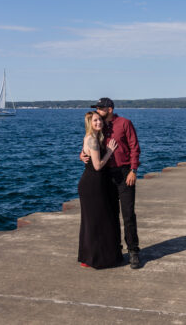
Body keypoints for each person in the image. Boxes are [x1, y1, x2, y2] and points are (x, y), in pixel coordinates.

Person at [81, 97, 142, 269]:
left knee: (128, 214)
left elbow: (135, 148)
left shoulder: (124, 123)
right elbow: (89, 143)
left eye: (100, 109)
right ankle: (115, 252)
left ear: (109, 109)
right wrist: (81, 155)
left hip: (124, 174)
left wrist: (133, 170)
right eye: (96, 109)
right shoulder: (98, 126)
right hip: (105, 176)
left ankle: (133, 251)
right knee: (110, 216)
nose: (97, 112)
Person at [77, 111, 123, 269]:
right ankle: (97, 259)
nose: (99, 123)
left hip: (90, 183)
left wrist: (81, 155)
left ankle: (88, 258)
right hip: (93, 185)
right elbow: (97, 166)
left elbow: (85, 156)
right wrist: (110, 152)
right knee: (98, 222)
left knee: (92, 222)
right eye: (95, 121)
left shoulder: (89, 138)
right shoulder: (93, 140)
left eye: (100, 120)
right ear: (90, 123)